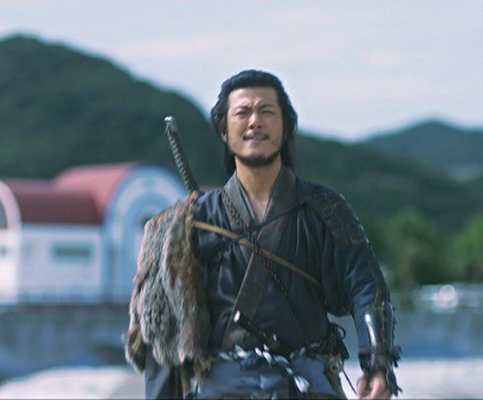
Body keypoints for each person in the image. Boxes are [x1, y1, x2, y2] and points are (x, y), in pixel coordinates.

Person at [125, 69, 401, 399]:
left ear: (286, 127)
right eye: (242, 112)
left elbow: (367, 287)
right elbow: (163, 329)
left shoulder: (325, 208)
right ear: (223, 130)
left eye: (267, 111)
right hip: (222, 387)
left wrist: (378, 364)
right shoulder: (185, 224)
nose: (255, 121)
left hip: (307, 385)